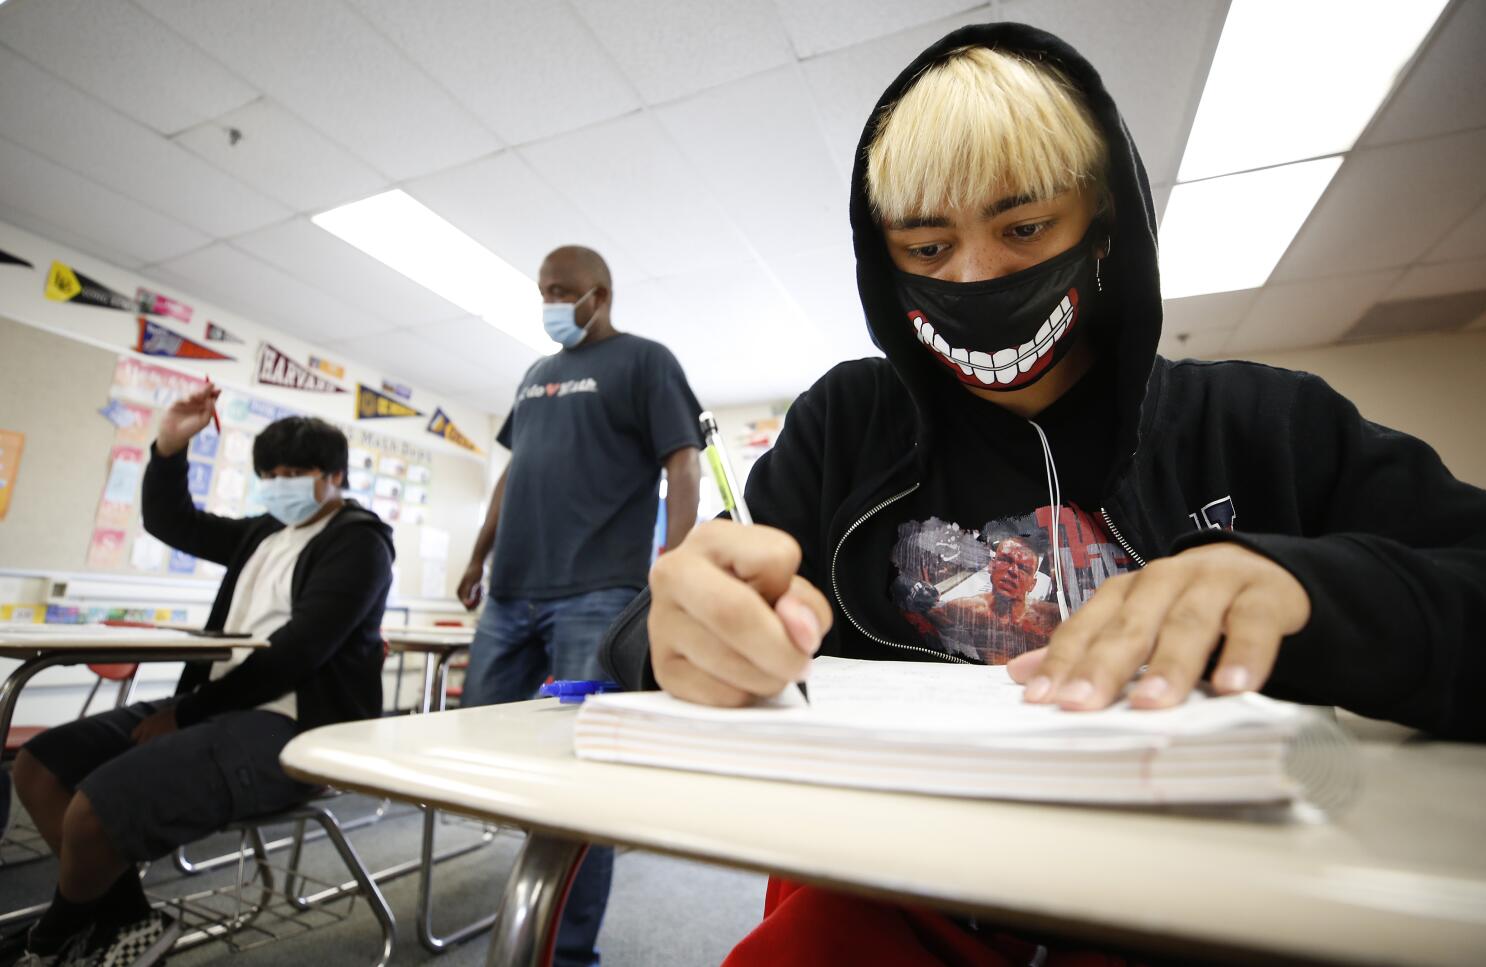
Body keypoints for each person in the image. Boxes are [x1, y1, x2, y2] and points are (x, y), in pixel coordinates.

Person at [599, 21, 1486, 965]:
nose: (976, 278)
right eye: (927, 248)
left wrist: (1309, 589)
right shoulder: (842, 427)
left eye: (1024, 228)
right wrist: (672, 632)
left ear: (1102, 220)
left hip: (1210, 906)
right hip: (891, 896)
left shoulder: (1266, 422)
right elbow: (645, 640)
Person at [9, 400, 394, 967]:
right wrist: (169, 445)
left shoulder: (359, 542)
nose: (278, 485)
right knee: (41, 765)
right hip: (219, 705)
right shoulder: (266, 533)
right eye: (269, 475)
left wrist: (186, 715)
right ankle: (128, 922)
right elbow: (171, 521)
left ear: (334, 477)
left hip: (293, 723)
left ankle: (51, 938)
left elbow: (298, 652)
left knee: (97, 806)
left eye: (294, 474)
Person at [455, 245, 703, 967]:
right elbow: (513, 470)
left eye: (561, 290)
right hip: (510, 589)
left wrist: (675, 564)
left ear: (600, 293)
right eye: (542, 292)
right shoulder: (536, 375)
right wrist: (477, 552)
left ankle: (563, 953)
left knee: (582, 769)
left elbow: (682, 461)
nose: (550, 304)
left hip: (598, 591)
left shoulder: (644, 361)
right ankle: (529, 886)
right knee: (477, 740)